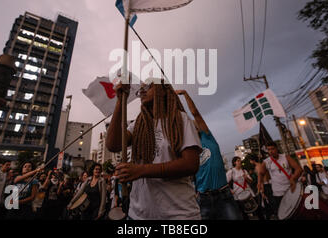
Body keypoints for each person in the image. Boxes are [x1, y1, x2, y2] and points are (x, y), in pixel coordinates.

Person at [106, 78, 202, 220]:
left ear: (163, 90)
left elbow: (191, 164)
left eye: (148, 87)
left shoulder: (180, 119)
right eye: (140, 89)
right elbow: (113, 145)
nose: (142, 91)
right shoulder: (138, 124)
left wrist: (141, 170)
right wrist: (120, 101)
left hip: (178, 215)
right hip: (138, 215)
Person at [176, 89, 242, 220]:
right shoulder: (189, 149)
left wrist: (184, 94)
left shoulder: (208, 138)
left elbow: (195, 114)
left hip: (223, 194)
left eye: (194, 127)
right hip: (203, 198)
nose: (192, 128)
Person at [257, 142, 302, 215]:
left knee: (297, 213)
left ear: (277, 148)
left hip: (291, 190)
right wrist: (259, 182)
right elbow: (261, 173)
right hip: (278, 193)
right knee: (285, 214)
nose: (271, 151)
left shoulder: (285, 157)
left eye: (272, 149)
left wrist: (293, 178)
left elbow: (298, 169)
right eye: (269, 150)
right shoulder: (267, 162)